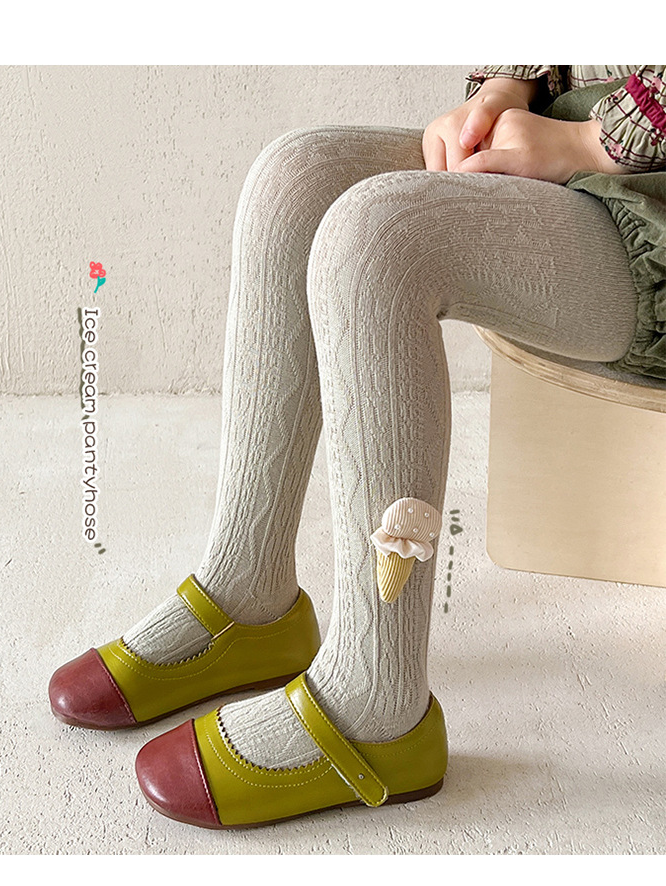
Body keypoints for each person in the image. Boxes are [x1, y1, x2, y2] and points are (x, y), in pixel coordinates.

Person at [49, 66, 666, 828]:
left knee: (376, 243)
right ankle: (248, 595)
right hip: (571, 137)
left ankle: (376, 705)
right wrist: (504, 91)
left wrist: (590, 142)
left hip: (645, 195)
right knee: (296, 179)